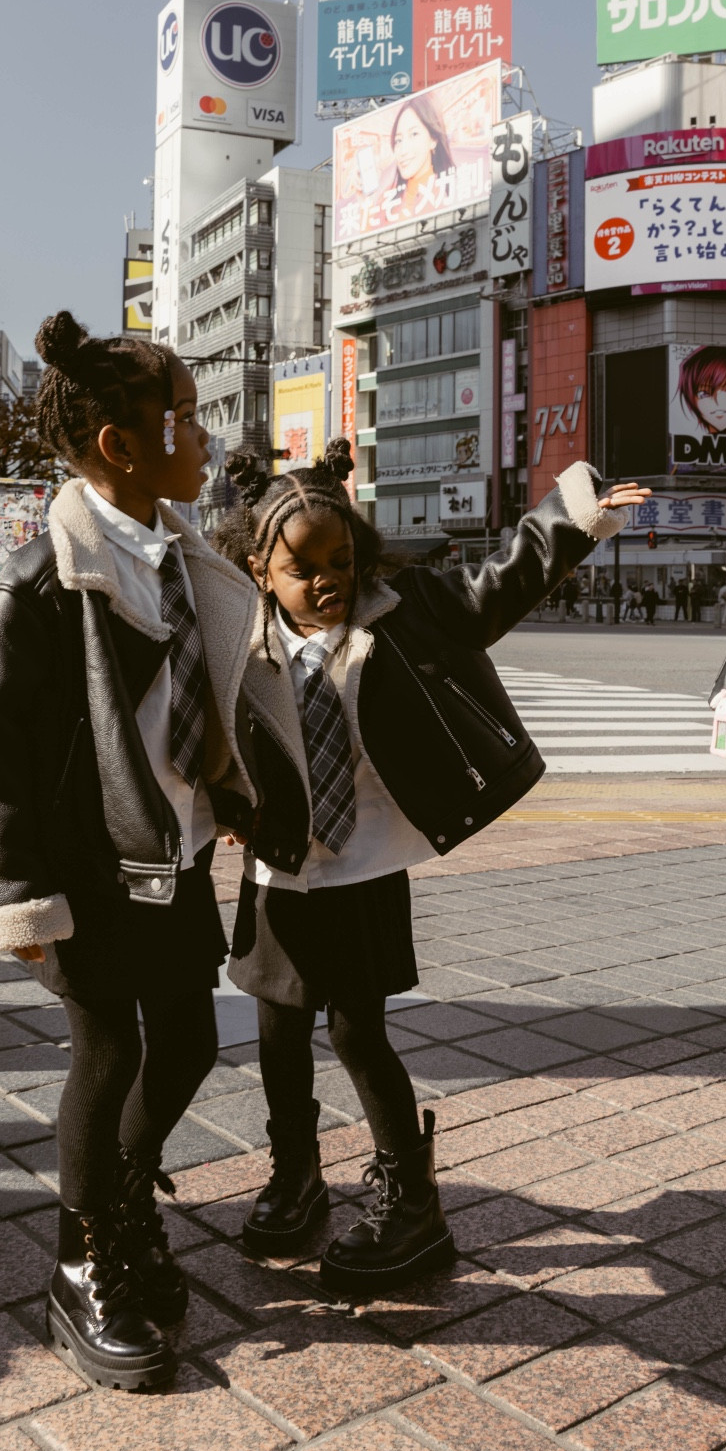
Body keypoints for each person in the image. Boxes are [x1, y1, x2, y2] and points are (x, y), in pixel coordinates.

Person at [213, 443, 648, 1292]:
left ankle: (412, 1201)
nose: (328, 581)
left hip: (366, 859)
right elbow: (208, 734)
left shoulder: (399, 608)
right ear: (260, 567)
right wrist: (228, 806)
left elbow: (497, 586)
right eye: (305, 568)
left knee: (356, 1028)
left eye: (343, 560)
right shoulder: (239, 632)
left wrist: (571, 517)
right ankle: (296, 1173)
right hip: (280, 864)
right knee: (275, 1025)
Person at [0, 311, 259, 1391]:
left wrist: (232, 791)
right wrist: (21, 900)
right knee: (111, 1052)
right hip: (84, 866)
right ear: (119, 446)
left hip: (171, 849)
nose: (203, 435)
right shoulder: (44, 574)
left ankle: (122, 1201)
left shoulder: (180, 552)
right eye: (183, 415)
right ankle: (83, 1260)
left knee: (183, 1042)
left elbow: (200, 697)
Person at [386, 96, 455, 219]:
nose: (403, 151)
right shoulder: (388, 198)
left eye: (414, 134)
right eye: (398, 140)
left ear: (433, 139)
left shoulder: (440, 196)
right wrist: (363, 202)